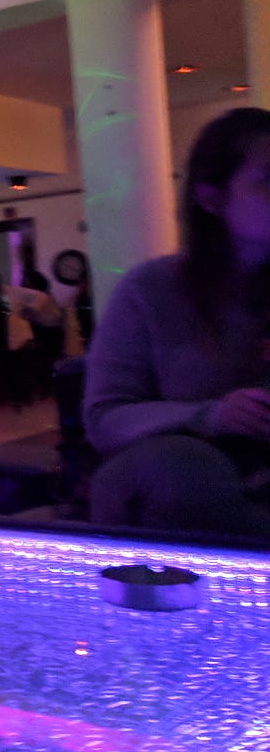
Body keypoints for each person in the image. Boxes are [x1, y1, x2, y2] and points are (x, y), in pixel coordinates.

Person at [84, 107, 270, 537]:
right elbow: (105, 420)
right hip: (170, 488)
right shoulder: (151, 290)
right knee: (179, 466)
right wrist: (214, 415)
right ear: (212, 199)